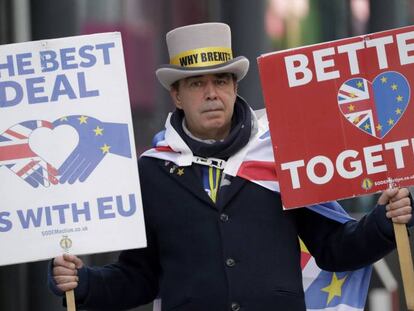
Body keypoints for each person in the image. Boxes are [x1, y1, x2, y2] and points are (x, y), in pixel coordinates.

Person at [49, 23, 413, 311]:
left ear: (235, 87)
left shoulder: (281, 154)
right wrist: (84, 284)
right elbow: (140, 275)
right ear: (176, 95)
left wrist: (384, 222)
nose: (211, 93)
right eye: (196, 83)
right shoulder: (151, 171)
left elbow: (334, 248)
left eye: (220, 80)